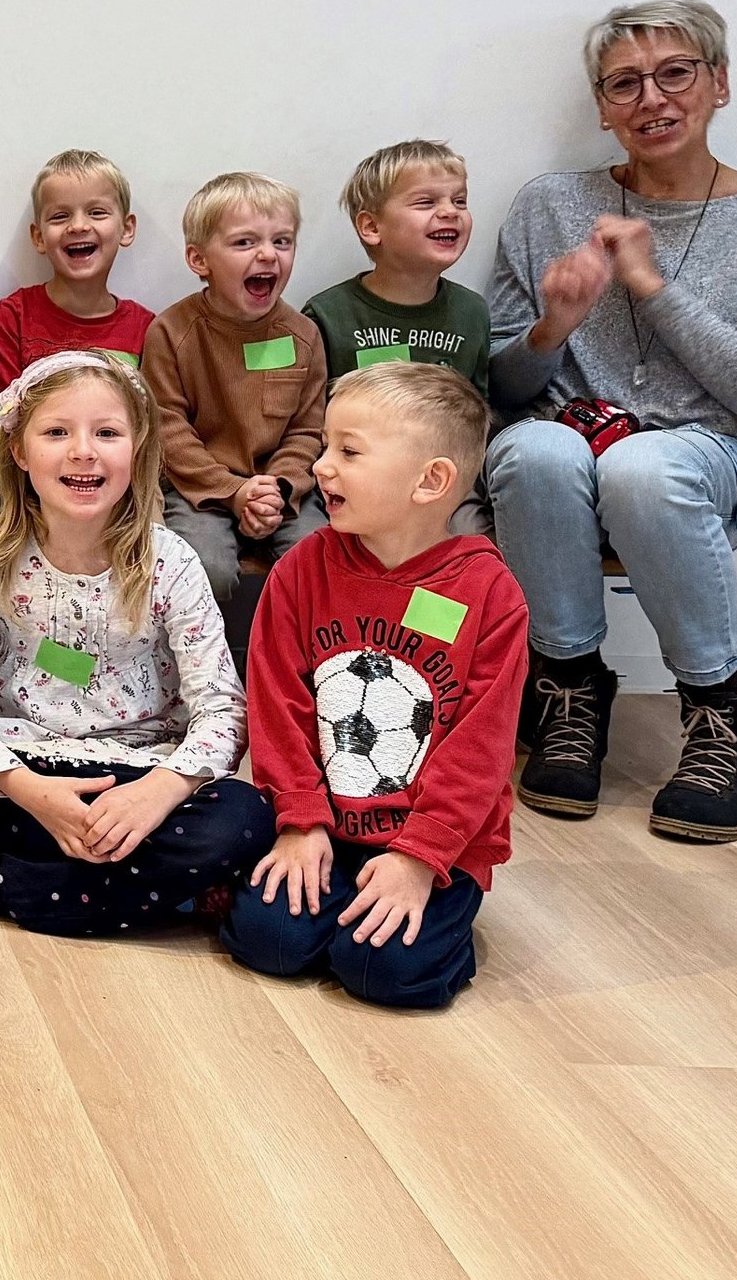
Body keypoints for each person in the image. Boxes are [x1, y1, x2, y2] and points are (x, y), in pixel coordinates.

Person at [491, 0, 737, 843]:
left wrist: (653, 287)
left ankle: (721, 716)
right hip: (566, 445)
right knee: (531, 448)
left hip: (712, 460)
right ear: (603, 108)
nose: (652, 98)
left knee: (643, 468)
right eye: (624, 84)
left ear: (718, 83)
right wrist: (555, 325)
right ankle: (568, 688)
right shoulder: (549, 207)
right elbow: (502, 383)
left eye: (675, 72)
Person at [0, 353, 266, 932]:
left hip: (134, 775)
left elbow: (224, 709)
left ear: (138, 447)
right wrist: (31, 792)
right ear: (20, 452)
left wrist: (159, 793)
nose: (84, 451)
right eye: (56, 432)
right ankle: (170, 895)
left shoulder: (171, 562)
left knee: (242, 818)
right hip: (18, 769)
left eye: (107, 433)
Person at [223, 363, 526, 1008]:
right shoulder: (300, 569)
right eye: (326, 446)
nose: (323, 466)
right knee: (266, 943)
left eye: (349, 451)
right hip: (325, 828)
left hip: (431, 843)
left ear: (431, 481)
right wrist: (299, 822)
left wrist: (421, 857)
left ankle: (442, 930)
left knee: (386, 975)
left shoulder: (489, 595)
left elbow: (482, 749)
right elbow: (278, 704)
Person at [140, 171, 329, 627]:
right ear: (199, 259)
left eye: (282, 241)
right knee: (207, 572)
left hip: (282, 490)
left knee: (319, 567)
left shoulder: (303, 334)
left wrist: (276, 489)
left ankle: (292, 669)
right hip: (197, 489)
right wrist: (233, 491)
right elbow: (167, 430)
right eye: (245, 243)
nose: (268, 254)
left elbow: (308, 429)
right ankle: (209, 673)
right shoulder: (172, 333)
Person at [302, 141, 490, 393]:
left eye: (459, 201)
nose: (450, 211)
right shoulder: (327, 317)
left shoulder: (472, 312)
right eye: (426, 202)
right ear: (371, 227)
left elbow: (478, 413)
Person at [0, 150, 155, 388]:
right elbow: (4, 417)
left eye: (96, 212)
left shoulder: (147, 330)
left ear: (126, 229)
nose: (78, 226)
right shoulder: (13, 319)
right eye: (60, 216)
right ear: (38, 237)